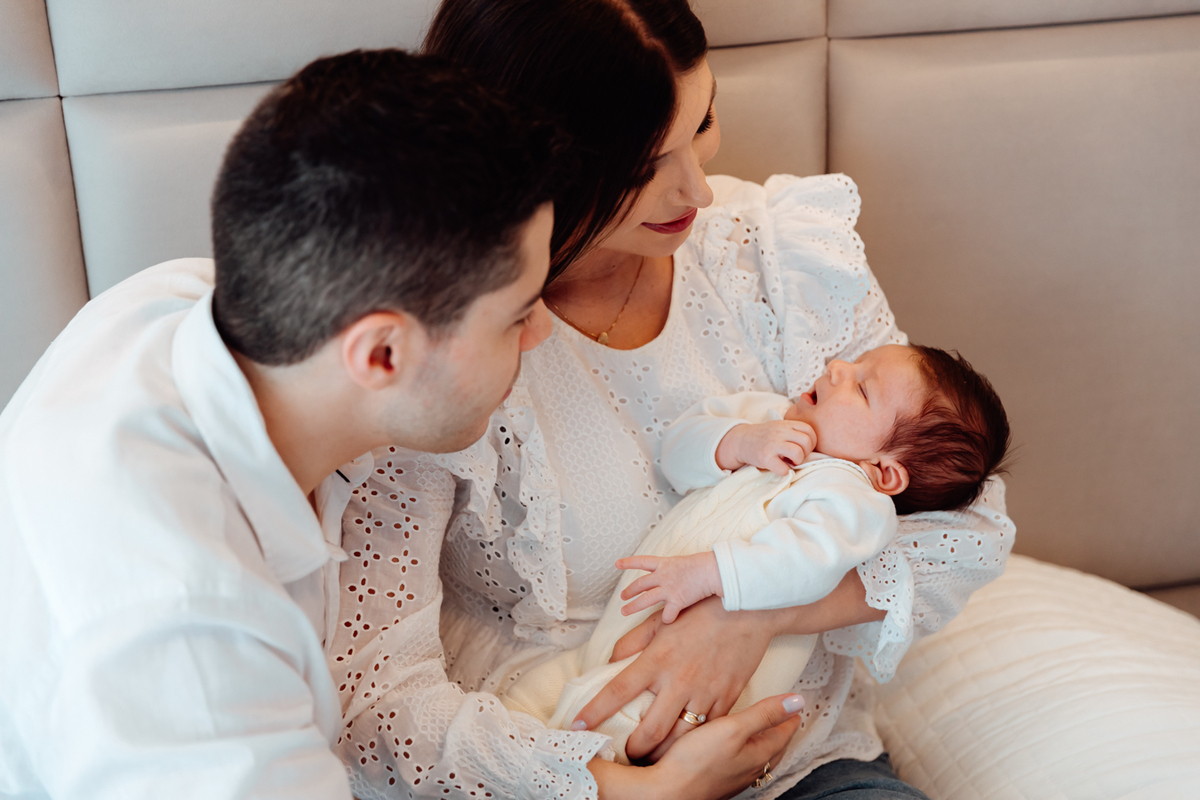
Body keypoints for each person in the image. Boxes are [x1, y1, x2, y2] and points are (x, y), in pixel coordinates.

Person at [332, 2, 1015, 799]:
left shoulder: (778, 257)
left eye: (704, 123)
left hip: (803, 766)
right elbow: (373, 700)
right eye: (640, 169)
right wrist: (632, 793)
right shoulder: (431, 346)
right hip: (567, 765)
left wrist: (752, 612)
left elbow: (963, 521)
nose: (697, 187)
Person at [0, 49, 568, 798]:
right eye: (518, 315)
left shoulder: (178, 303)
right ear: (381, 353)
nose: (543, 333)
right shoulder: (192, 653)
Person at [498, 344, 1011, 763]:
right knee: (527, 705)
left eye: (860, 387)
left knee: (612, 727)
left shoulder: (854, 499)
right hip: (618, 634)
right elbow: (677, 452)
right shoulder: (768, 416)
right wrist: (738, 442)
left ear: (884, 471)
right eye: (854, 363)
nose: (837, 367)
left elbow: (804, 562)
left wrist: (712, 573)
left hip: (690, 683)